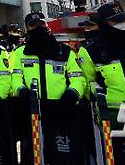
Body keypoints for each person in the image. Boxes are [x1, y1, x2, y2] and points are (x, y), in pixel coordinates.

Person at [11, 12, 86, 162]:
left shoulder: (65, 52)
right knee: (33, 155)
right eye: (33, 25)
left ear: (47, 26)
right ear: (27, 29)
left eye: (41, 24)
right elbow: (15, 78)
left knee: (63, 156)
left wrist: (71, 95)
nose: (38, 28)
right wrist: (23, 92)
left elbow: (78, 79)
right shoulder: (19, 53)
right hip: (31, 112)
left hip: (61, 111)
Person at [77, 3, 125, 110]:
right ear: (104, 23)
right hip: (112, 115)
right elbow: (88, 84)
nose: (123, 24)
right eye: (116, 21)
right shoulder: (91, 50)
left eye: (123, 19)